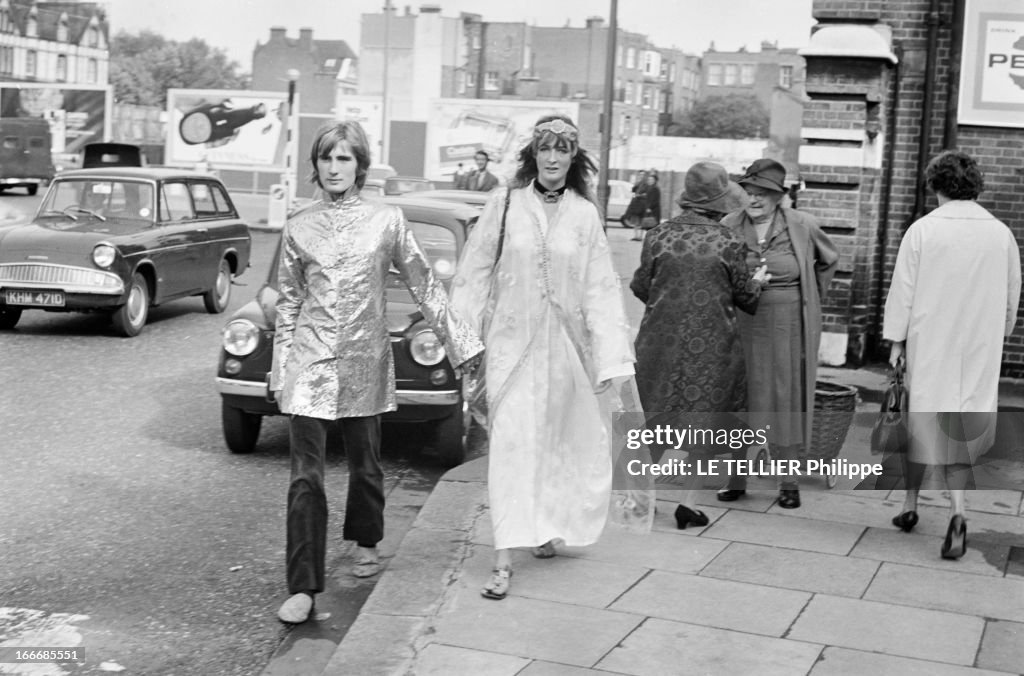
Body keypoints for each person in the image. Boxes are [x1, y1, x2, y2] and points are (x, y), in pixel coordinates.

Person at [270, 121, 484, 624]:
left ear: (359, 165)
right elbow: (288, 304)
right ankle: (303, 586)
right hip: (310, 360)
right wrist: (282, 371)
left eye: (344, 158)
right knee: (306, 476)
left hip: (366, 359)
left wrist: (462, 347)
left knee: (366, 462)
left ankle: (366, 538)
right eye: (327, 158)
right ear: (316, 166)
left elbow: (425, 284)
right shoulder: (299, 224)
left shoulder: (386, 221)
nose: (334, 167)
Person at [451, 114, 636, 600]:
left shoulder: (584, 215)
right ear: (533, 154)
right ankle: (503, 557)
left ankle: (547, 526)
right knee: (511, 447)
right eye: (545, 149)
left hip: (566, 354)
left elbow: (600, 289)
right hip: (511, 351)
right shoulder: (505, 203)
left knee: (556, 443)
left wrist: (610, 360)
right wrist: (463, 339)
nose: (553, 158)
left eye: (563, 150)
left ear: (575, 158)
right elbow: (473, 273)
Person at [883, 150, 1020, 559]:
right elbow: (1012, 298)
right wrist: (999, 333)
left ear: (935, 185)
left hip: (931, 343)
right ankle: (958, 512)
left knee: (920, 419)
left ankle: (910, 506)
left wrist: (896, 341)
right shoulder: (1001, 234)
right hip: (978, 346)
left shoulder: (923, 230)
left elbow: (903, 292)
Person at [631, 162, 767, 528]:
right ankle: (687, 504)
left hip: (659, 342)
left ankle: (640, 499)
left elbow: (641, 286)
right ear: (718, 201)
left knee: (654, 418)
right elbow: (745, 296)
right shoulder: (729, 242)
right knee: (702, 423)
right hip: (712, 347)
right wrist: (759, 281)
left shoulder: (658, 236)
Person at [718, 158, 839, 509]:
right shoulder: (728, 225)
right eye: (749, 192)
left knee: (785, 397)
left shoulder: (802, 225)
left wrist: (810, 296)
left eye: (762, 194)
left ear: (778, 196)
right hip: (742, 322)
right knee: (741, 397)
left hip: (787, 324)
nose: (753, 200)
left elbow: (829, 260)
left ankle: (789, 481)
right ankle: (736, 478)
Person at [624, 170, 649, 240]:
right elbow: (633, 191)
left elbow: (647, 194)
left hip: (643, 204)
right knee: (635, 221)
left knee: (641, 221)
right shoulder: (637, 183)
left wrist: (639, 195)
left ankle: (640, 236)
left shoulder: (647, 185)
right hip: (636, 204)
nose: (642, 176)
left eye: (643, 175)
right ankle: (636, 235)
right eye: (640, 175)